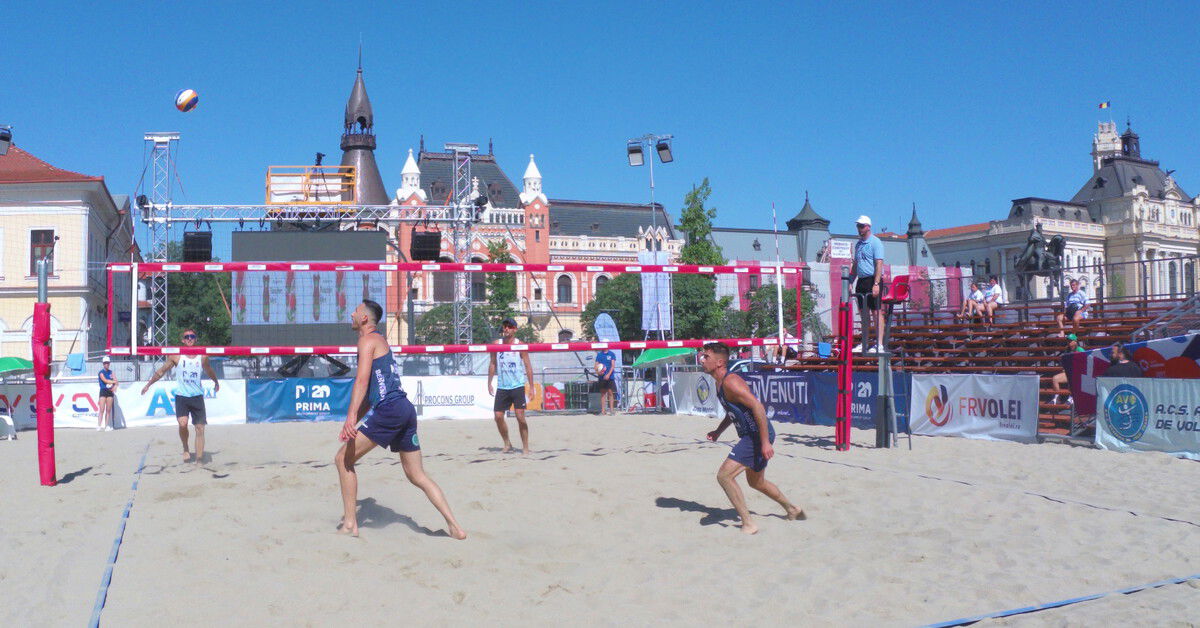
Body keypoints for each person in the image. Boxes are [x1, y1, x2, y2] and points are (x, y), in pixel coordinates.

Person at [334, 300, 465, 539]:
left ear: (364, 319)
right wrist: (353, 417)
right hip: (404, 408)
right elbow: (370, 394)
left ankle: (350, 524)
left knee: (343, 459)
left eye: (356, 311)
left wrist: (351, 417)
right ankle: (455, 527)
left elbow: (361, 381)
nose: (351, 314)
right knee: (417, 475)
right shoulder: (380, 341)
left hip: (390, 410)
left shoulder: (367, 341)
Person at [699, 342, 805, 535]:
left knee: (724, 476)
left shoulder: (731, 382)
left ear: (720, 362)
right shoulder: (719, 382)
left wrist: (764, 442)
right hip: (753, 435)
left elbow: (758, 407)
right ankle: (792, 509)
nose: (702, 360)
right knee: (757, 482)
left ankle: (748, 523)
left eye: (706, 356)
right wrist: (718, 431)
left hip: (756, 436)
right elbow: (733, 412)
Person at [141, 329, 219, 463]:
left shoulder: (202, 356)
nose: (189, 338)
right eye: (187, 337)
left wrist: (216, 381)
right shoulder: (176, 356)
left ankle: (199, 460)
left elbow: (209, 370)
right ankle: (186, 448)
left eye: (192, 336)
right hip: (182, 396)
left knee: (200, 428)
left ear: (195, 339)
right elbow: (161, 371)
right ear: (183, 340)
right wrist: (148, 384)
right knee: (183, 424)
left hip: (197, 396)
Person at [488, 317, 534, 454]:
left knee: (520, 417)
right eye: (505, 326)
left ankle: (525, 447)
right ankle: (507, 443)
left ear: (515, 329)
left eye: (509, 326)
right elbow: (492, 364)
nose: (506, 328)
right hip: (503, 386)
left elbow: (527, 366)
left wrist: (531, 387)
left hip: (517, 385)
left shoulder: (520, 345)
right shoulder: (497, 344)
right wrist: (489, 382)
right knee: (498, 416)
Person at [853, 215, 885, 353]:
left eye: (861, 226)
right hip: (861, 280)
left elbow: (879, 263)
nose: (859, 228)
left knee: (876, 312)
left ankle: (880, 344)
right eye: (858, 226)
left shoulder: (875, 242)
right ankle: (865, 342)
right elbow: (855, 264)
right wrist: (850, 280)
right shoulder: (858, 245)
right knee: (863, 314)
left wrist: (876, 283)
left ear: (868, 227)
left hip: (873, 279)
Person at [1050, 334, 1087, 405]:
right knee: (1055, 378)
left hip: (1079, 373)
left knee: (1072, 377)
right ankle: (1057, 398)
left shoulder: (1080, 350)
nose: (1069, 342)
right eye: (1068, 341)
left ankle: (1072, 397)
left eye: (1070, 341)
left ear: (1075, 341)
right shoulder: (1067, 350)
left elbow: (1084, 364)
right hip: (1068, 371)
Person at [595, 347, 617, 415]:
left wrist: (608, 374)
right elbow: (596, 366)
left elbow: (613, 366)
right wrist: (598, 372)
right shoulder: (599, 354)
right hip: (601, 377)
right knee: (603, 394)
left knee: (610, 393)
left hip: (610, 377)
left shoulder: (611, 354)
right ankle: (603, 411)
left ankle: (611, 410)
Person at [97, 356, 117, 431]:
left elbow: (116, 380)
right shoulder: (101, 372)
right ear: (103, 364)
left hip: (110, 392)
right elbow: (105, 381)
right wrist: (114, 382)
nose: (107, 364)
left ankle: (106, 426)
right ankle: (99, 425)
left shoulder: (111, 372)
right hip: (103, 391)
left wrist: (116, 385)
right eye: (105, 363)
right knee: (101, 409)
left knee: (108, 410)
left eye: (108, 363)